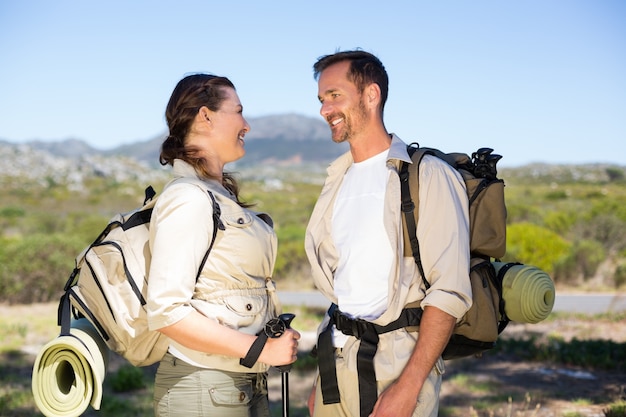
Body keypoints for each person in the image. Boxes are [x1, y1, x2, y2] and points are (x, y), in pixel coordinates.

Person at [304, 50, 473, 417]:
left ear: (371, 95)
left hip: (397, 371)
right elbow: (347, 288)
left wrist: (409, 387)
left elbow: (450, 291)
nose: (324, 109)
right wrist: (326, 379)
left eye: (334, 95)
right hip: (336, 367)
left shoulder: (426, 175)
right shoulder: (337, 179)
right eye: (321, 99)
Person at [147, 73, 300, 417]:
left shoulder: (215, 195)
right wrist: (262, 349)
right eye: (239, 111)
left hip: (233, 384)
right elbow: (166, 311)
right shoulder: (189, 198)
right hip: (203, 387)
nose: (246, 124)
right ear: (205, 116)